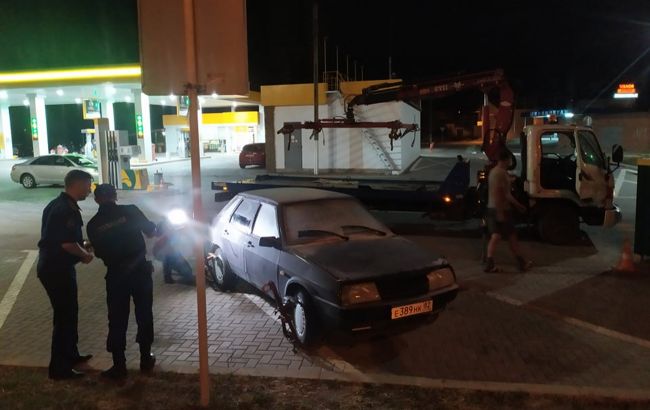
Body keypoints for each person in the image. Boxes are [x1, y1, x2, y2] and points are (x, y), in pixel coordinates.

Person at [86, 184, 157, 380]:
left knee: (117, 320)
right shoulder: (131, 210)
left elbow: (99, 253)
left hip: (116, 275)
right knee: (144, 314)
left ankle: (119, 366)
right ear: (115, 196)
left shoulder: (93, 225)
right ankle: (145, 359)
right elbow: (151, 231)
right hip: (140, 272)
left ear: (97, 200)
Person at [37, 170, 94, 380]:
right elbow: (67, 243)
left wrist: (84, 245)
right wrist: (85, 255)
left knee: (69, 314)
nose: (89, 190)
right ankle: (59, 369)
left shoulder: (56, 204)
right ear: (76, 185)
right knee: (64, 318)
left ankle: (71, 356)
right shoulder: (66, 209)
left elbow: (65, 239)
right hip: (56, 270)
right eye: (87, 185)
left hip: (55, 268)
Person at [484, 149, 532, 273]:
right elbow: (499, 194)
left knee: (500, 236)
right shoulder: (500, 174)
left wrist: (518, 205)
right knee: (507, 236)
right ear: (507, 159)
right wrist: (500, 212)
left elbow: (506, 194)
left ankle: (490, 263)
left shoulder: (496, 172)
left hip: (494, 208)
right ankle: (521, 263)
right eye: (510, 159)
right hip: (501, 209)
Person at [153, 218, 193, 284]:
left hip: (169, 253)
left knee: (187, 272)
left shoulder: (171, 230)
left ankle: (169, 275)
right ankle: (167, 277)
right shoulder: (163, 235)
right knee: (169, 258)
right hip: (163, 253)